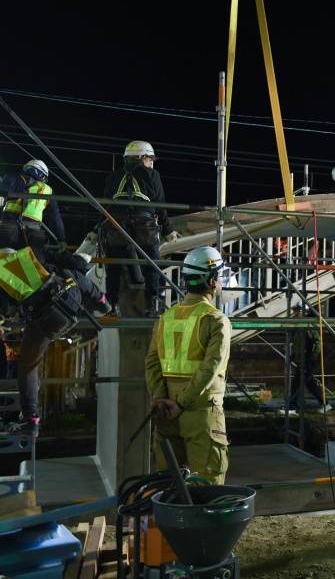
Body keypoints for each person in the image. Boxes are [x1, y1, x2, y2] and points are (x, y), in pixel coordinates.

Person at [0, 246, 111, 435]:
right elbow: (78, 276)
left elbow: (7, 308)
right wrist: (104, 304)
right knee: (69, 276)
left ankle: (31, 420)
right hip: (69, 301)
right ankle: (101, 302)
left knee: (28, 366)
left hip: (45, 317)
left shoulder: (4, 275)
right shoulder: (36, 256)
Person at [145, 246, 231, 485]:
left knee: (170, 487)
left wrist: (161, 398)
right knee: (206, 486)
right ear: (211, 281)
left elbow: (151, 362)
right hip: (201, 413)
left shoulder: (166, 318)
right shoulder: (216, 320)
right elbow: (210, 368)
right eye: (220, 276)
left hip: (166, 413)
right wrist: (181, 403)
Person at [102, 141, 179, 317]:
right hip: (145, 226)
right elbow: (160, 203)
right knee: (152, 264)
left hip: (117, 225)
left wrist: (96, 228)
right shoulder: (152, 175)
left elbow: (105, 205)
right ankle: (151, 306)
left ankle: (111, 305)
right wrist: (167, 230)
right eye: (150, 158)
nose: (151, 162)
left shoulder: (113, 176)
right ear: (140, 157)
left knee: (114, 266)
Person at [0, 160, 66, 257]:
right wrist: (61, 239)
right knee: (34, 260)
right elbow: (55, 217)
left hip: (9, 227)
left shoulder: (13, 178)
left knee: (5, 257)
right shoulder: (48, 190)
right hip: (34, 232)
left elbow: (3, 193)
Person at [284, 303, 329, 415]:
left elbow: (317, 342)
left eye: (297, 311)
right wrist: (293, 356)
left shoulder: (308, 325)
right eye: (295, 311)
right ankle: (325, 404)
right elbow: (297, 344)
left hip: (306, 360)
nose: (295, 313)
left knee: (297, 384)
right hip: (301, 360)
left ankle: (293, 407)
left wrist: (312, 358)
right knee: (309, 384)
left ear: (304, 312)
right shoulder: (299, 326)